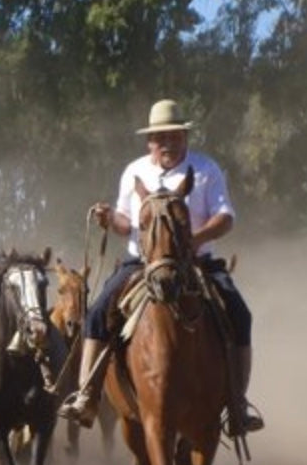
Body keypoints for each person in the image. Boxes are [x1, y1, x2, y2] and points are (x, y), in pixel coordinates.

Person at [58, 99, 264, 435]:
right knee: (96, 313)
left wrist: (194, 239)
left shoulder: (206, 169)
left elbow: (226, 218)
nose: (167, 143)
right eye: (160, 137)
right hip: (140, 262)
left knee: (240, 315)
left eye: (174, 136)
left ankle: (238, 404)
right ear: (149, 141)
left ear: (185, 137)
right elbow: (127, 225)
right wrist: (110, 219)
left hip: (198, 260)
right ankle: (86, 395)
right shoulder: (134, 171)